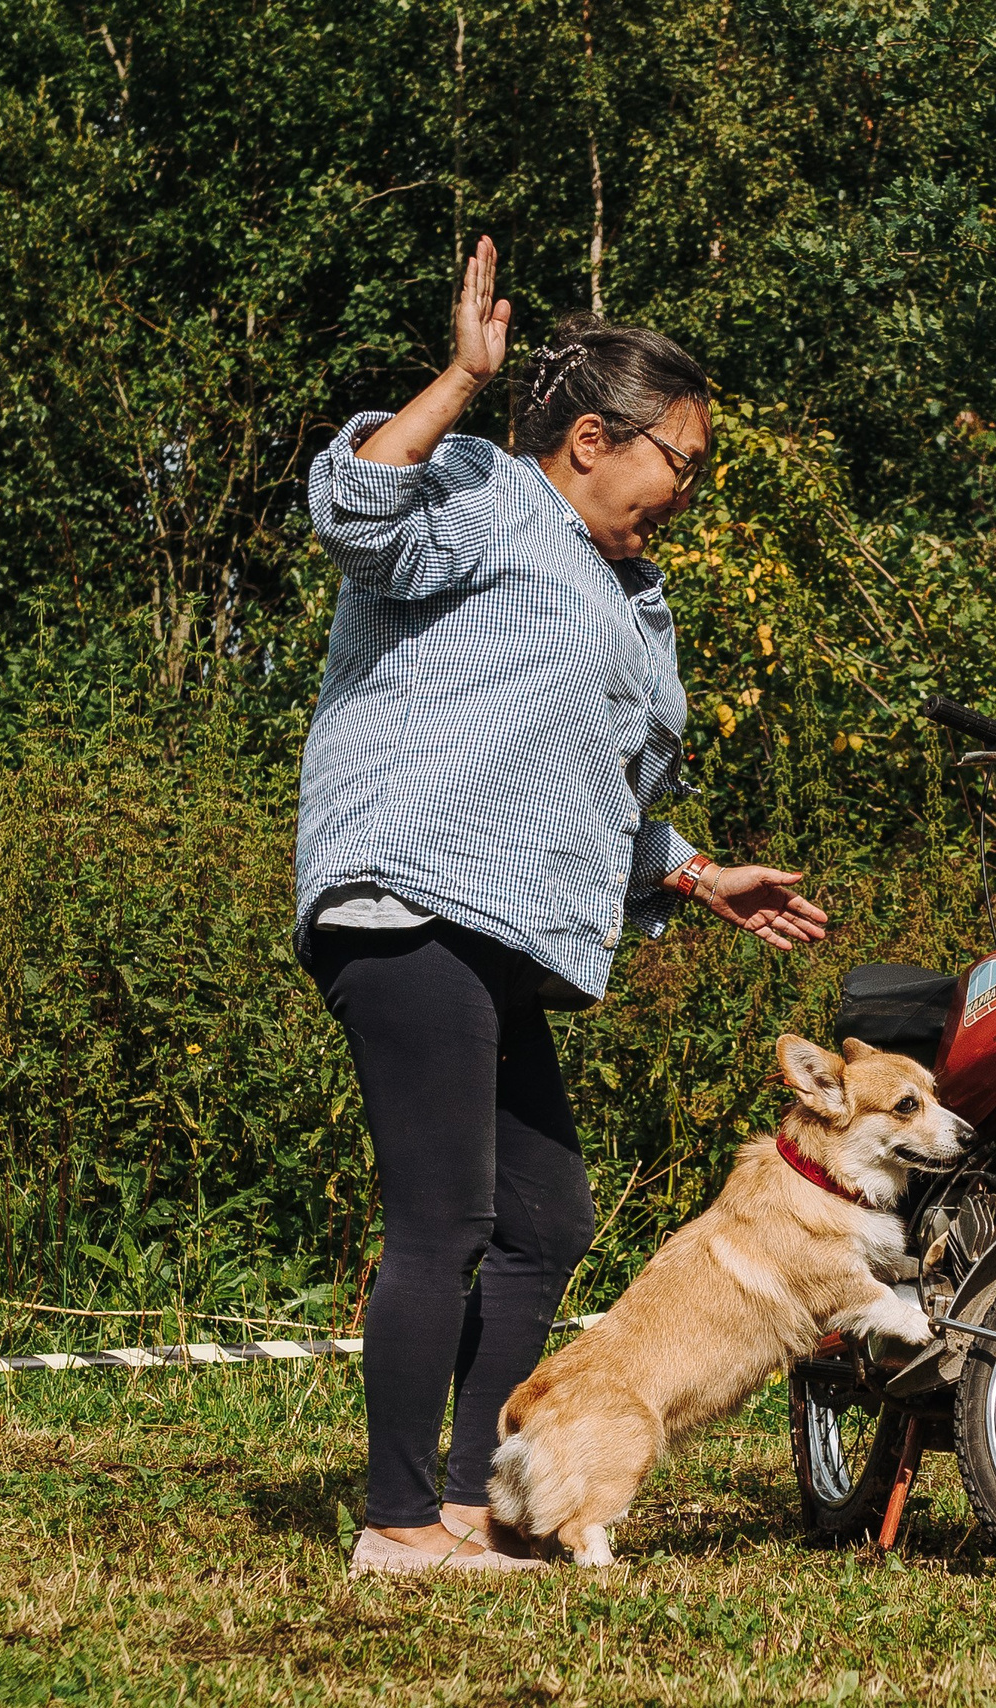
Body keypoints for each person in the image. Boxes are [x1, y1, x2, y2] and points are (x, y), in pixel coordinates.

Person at [300, 236, 832, 1574]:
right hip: (408, 900)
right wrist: (458, 384)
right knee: (446, 1219)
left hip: (501, 932)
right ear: (593, 439)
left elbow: (584, 789)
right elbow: (356, 512)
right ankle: (396, 1523)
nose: (687, 494)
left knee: (546, 1223)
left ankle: (473, 1502)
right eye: (680, 464)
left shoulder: (623, 589)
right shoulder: (485, 493)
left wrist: (697, 874)